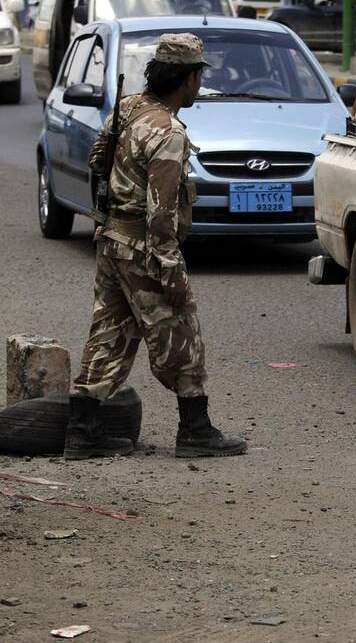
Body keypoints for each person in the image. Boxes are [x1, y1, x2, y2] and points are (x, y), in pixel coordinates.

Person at [65, 33, 248, 460]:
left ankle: (83, 431)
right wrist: (170, 270)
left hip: (111, 239)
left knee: (108, 332)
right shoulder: (168, 132)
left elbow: (96, 160)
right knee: (181, 330)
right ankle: (195, 430)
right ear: (187, 79)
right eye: (199, 75)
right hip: (144, 247)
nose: (200, 83)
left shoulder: (127, 109)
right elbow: (162, 212)